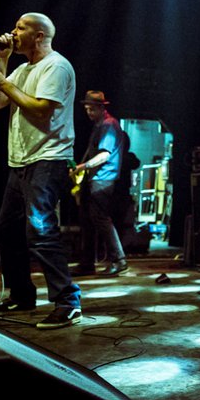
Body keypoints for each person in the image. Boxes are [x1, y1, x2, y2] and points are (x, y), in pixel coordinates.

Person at [0, 12, 82, 329]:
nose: (13, 31)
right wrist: (2, 61)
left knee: (39, 229)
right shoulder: (22, 69)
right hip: (20, 161)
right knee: (5, 231)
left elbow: (41, 110)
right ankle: (22, 294)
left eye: (20, 27)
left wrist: (3, 83)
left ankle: (68, 301)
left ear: (39, 36)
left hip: (48, 158)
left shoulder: (56, 66)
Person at [71, 90, 130, 277]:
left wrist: (82, 167)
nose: (89, 113)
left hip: (103, 179)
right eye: (87, 109)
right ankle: (87, 263)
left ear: (101, 108)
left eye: (92, 109)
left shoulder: (108, 125)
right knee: (87, 220)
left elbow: (105, 155)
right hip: (94, 178)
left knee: (100, 218)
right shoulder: (99, 125)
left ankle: (119, 260)